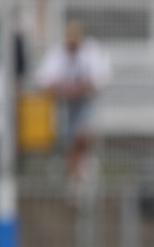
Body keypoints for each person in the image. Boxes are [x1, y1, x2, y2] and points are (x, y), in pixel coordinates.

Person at [36, 21, 111, 180]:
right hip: (62, 104)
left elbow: (100, 80)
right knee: (65, 137)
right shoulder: (57, 53)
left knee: (82, 134)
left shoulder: (91, 52)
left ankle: (80, 167)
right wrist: (65, 89)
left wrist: (79, 88)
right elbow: (44, 80)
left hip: (85, 102)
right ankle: (70, 168)